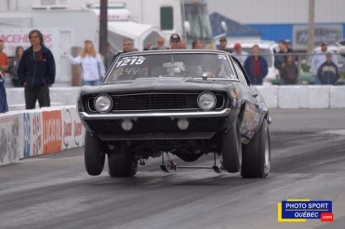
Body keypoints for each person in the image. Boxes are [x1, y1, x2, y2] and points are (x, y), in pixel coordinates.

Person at [18, 29, 56, 109]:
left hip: (42, 87)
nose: (33, 39)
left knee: (46, 110)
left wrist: (47, 81)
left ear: (40, 39)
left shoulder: (46, 53)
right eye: (31, 37)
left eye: (35, 37)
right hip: (29, 87)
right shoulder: (26, 53)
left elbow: (51, 68)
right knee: (29, 111)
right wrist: (23, 81)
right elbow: (21, 69)